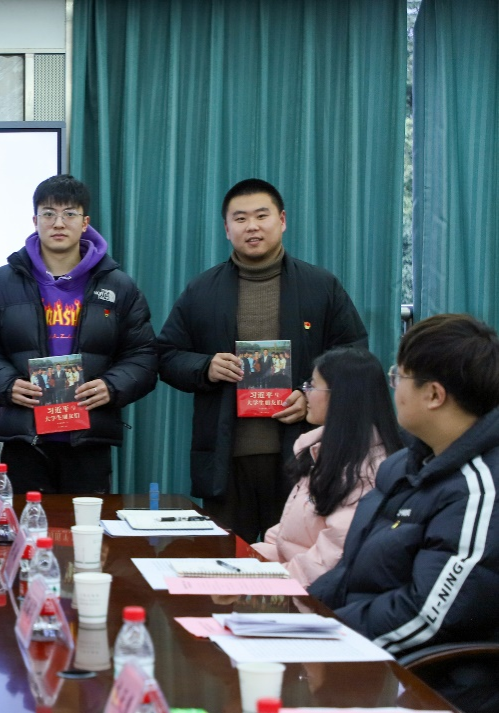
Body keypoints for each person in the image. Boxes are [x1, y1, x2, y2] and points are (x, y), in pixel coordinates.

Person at [156, 178, 367, 542]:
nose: (251, 226)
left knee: (291, 558)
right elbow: (166, 355)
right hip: (225, 460)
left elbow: (354, 352)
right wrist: (205, 367)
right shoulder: (202, 290)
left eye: (261, 216)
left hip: (302, 456)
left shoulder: (320, 286)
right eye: (240, 219)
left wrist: (312, 395)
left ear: (282, 220)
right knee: (223, 561)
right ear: (227, 229)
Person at [309, 314, 499, 713]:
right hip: (369, 661)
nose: (393, 387)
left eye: (399, 376)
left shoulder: (480, 490)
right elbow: (351, 573)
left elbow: (430, 615)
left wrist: (327, 638)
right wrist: (298, 614)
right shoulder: (403, 466)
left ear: (434, 395)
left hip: (435, 686)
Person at [0, 175, 157, 494]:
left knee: (85, 526)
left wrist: (112, 386)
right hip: (25, 441)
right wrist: (6, 384)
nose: (58, 223)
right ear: (35, 221)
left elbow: (144, 356)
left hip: (89, 441)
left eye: (69, 213)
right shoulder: (2, 283)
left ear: (85, 223)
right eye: (48, 213)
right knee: (27, 524)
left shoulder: (118, 286)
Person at [251, 348, 400, 586]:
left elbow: (328, 562)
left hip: (316, 593)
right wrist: (244, 560)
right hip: (292, 579)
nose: (306, 393)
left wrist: (262, 576)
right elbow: (285, 538)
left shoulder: (369, 470)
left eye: (312, 385)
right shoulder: (320, 451)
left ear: (341, 396)